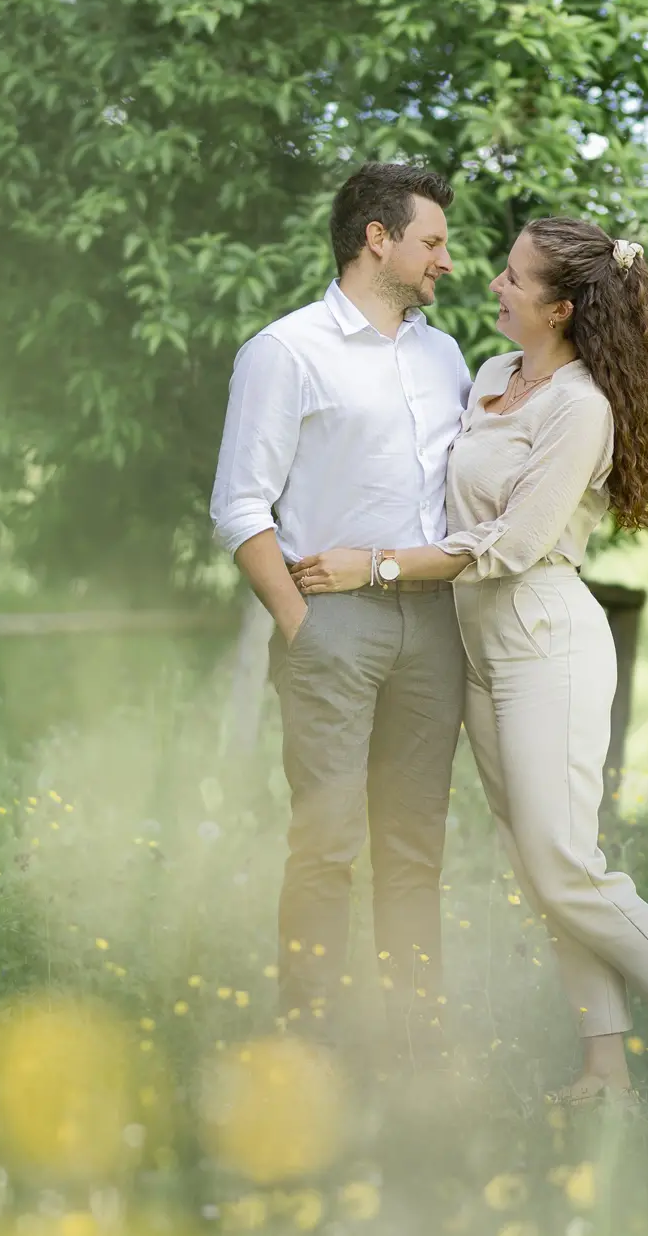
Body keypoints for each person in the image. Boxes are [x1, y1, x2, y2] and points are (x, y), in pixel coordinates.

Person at [289, 215, 648, 1113]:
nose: (493, 285)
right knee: (535, 861)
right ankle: (605, 1073)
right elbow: (448, 510)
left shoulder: (581, 407)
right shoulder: (492, 377)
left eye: (514, 279)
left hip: (545, 644)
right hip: (475, 651)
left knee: (562, 863)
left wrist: (378, 566)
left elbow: (509, 547)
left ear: (559, 307)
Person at [209, 161, 469, 1059]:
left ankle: (414, 1050)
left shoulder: (444, 355)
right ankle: (308, 1051)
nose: (447, 260)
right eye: (432, 241)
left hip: (434, 627)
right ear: (378, 239)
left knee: (413, 851)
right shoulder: (284, 352)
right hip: (333, 626)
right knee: (324, 848)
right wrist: (302, 625)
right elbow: (241, 508)